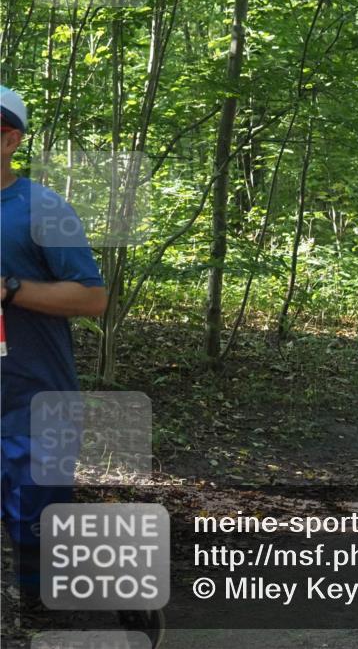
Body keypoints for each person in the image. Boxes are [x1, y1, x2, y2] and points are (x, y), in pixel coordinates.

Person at [0, 88, 167, 640]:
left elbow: (93, 299)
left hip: (31, 393)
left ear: (9, 138)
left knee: (34, 514)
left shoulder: (44, 208)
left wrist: (12, 288)